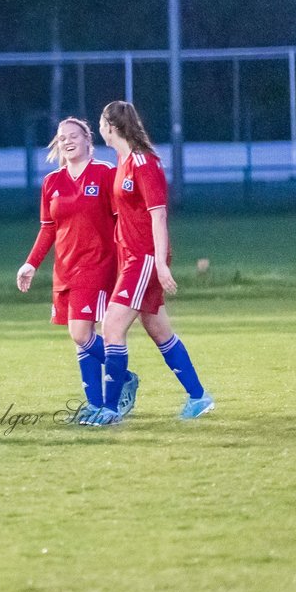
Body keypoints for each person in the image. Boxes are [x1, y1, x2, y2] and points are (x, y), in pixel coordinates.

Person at [92, 101, 214, 426]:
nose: (100, 128)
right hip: (132, 257)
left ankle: (110, 409)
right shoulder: (123, 162)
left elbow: (158, 215)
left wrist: (159, 263)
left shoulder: (144, 163)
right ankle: (199, 397)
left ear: (111, 126)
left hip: (144, 258)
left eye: (102, 123)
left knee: (112, 327)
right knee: (158, 330)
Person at [16, 117, 138, 423]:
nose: (67, 141)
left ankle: (123, 376)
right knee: (80, 335)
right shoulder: (51, 183)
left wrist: (130, 259)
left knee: (80, 331)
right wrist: (31, 264)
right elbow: (48, 230)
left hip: (98, 264)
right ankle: (95, 404)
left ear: (87, 140)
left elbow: (122, 221)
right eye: (62, 137)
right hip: (65, 269)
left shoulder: (105, 173)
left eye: (74, 136)